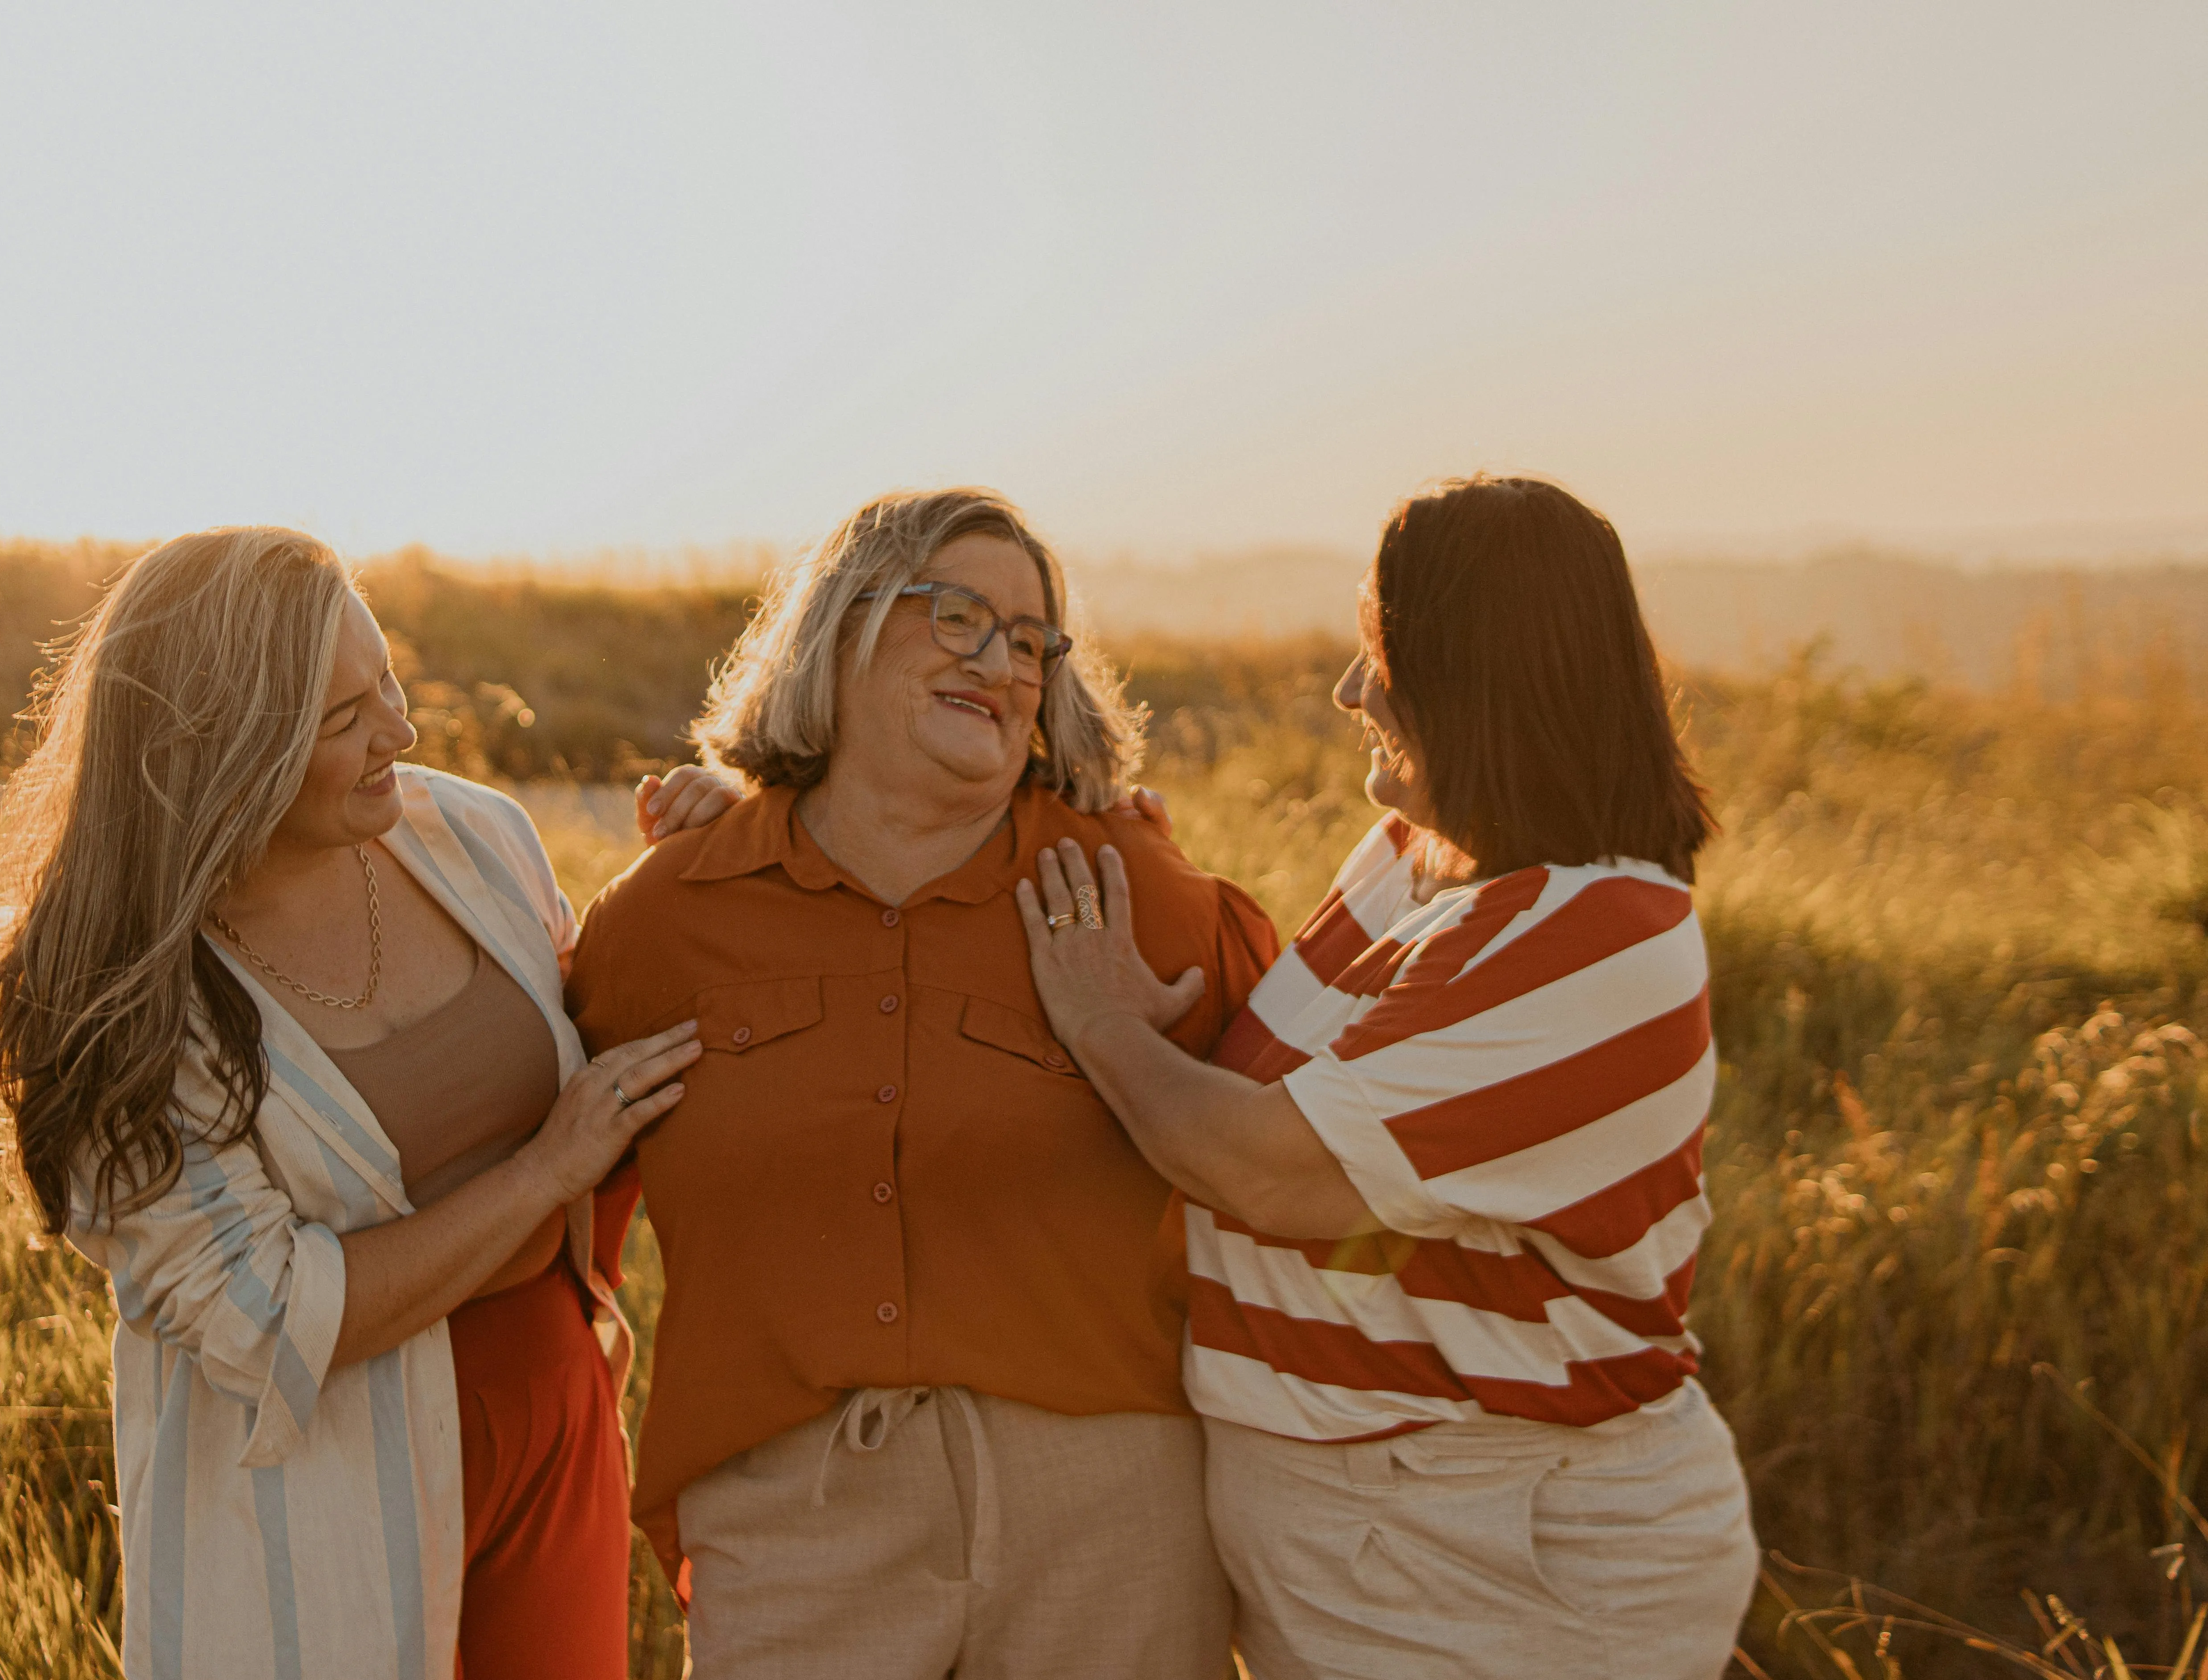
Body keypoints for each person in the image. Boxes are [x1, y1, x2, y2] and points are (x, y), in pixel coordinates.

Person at [1015, 476, 1760, 1679]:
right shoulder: (1416, 862)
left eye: (1379, 652)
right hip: (1377, 1535)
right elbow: (1302, 1082)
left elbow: (1269, 1167)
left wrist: (1102, 1024)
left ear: (1478, 681)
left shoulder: (1602, 936)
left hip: (1504, 1549)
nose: (1349, 690)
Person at [0, 527, 703, 1680]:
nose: (398, 733)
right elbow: (266, 1323)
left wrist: (696, 860)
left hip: (552, 1417)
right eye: (343, 716)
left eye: (389, 681)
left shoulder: (473, 834)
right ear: (221, 746)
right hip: (328, 1480)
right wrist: (543, 1173)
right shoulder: (127, 1002)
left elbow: (597, 1027)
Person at [566, 488, 1280, 1679]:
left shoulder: (1127, 892)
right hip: (798, 1521)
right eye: (956, 616)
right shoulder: (670, 915)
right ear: (842, 627)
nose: (998, 663)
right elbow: (558, 1204)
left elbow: (1293, 1153)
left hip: (1105, 1514)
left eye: (1026, 641)